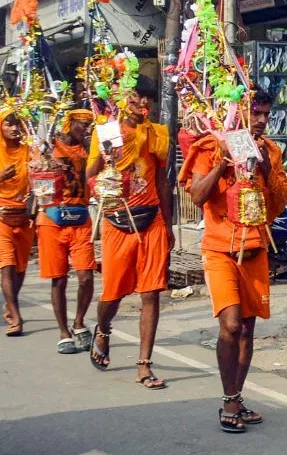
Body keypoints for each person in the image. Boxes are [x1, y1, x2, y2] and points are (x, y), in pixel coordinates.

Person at [179, 90, 287, 433]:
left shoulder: (270, 150)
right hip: (219, 250)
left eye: (266, 114)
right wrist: (222, 161)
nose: (261, 120)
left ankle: (236, 396)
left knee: (247, 328)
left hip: (256, 249)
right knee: (230, 325)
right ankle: (229, 397)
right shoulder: (209, 146)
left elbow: (277, 205)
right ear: (238, 114)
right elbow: (198, 196)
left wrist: (267, 168)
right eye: (255, 113)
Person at [87, 75, 174, 390]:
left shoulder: (157, 133)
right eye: (138, 98)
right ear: (125, 98)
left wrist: (169, 222)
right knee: (111, 294)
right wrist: (104, 180)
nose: (144, 105)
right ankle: (103, 328)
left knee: (151, 294)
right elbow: (90, 175)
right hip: (116, 223)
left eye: (148, 99)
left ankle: (144, 364)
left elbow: (163, 180)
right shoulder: (108, 131)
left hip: (151, 221)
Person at [37, 109, 96, 353]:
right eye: (82, 125)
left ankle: (80, 323)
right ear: (70, 124)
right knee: (59, 279)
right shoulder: (50, 146)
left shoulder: (91, 149)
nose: (86, 129)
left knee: (86, 277)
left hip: (80, 218)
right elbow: (39, 182)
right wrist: (46, 165)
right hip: (52, 219)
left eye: (89, 125)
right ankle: (64, 332)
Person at [0, 108, 33, 337]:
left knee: (20, 268)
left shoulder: (29, 151)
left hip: (24, 216)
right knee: (7, 266)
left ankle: (10, 305)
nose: (13, 128)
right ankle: (16, 316)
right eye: (8, 124)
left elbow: (39, 178)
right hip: (0, 215)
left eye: (17, 124)